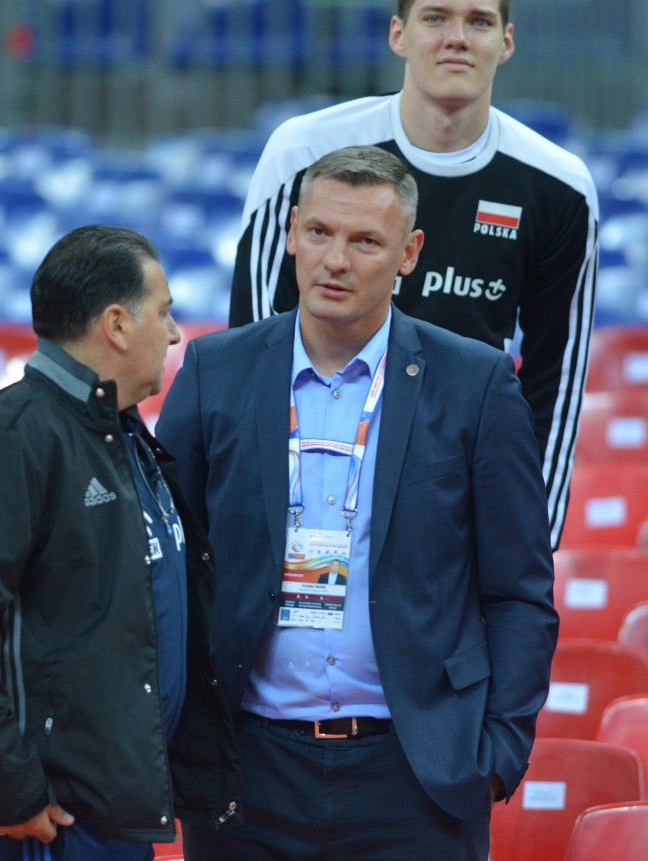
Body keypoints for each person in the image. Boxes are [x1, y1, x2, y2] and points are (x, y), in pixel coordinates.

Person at [157, 146, 558, 861]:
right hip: (246, 775)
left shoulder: (474, 382)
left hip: (417, 773)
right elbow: (168, 571)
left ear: (409, 253)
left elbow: (518, 590)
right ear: (290, 234)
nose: (335, 260)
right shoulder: (214, 372)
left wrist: (496, 751)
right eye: (319, 233)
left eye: (364, 241)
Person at [228, 0, 599, 549]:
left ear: (506, 43)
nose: (457, 38)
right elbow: (250, 348)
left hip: (455, 499)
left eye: (479, 21)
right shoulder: (304, 153)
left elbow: (554, 389)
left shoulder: (560, 188)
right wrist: (259, 518)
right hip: (310, 489)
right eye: (436, 18)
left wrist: (526, 548)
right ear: (399, 34)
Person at [0, 225, 240, 861]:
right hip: (49, 816)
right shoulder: (14, 435)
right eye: (164, 313)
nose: (174, 334)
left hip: (113, 803)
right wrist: (10, 785)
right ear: (116, 324)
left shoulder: (122, 431)